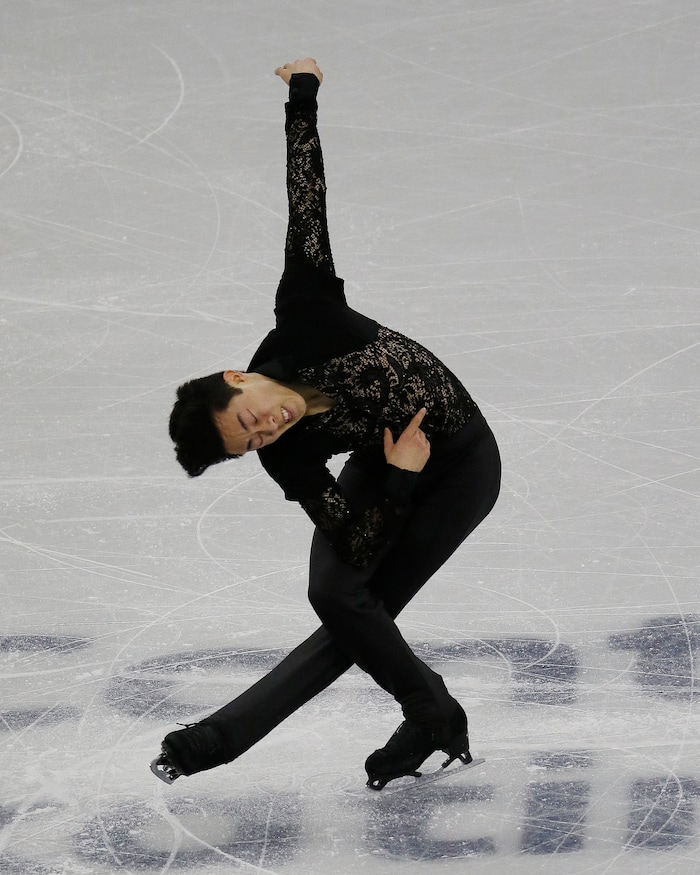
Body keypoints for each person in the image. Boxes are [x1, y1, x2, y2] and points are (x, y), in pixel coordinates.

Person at [151, 58, 501, 791]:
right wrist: (398, 479)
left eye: (252, 417)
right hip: (392, 468)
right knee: (337, 596)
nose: (268, 430)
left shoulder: (305, 313)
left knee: (354, 614)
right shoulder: (289, 457)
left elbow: (304, 196)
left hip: (463, 465)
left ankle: (227, 738)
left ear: (240, 376)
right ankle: (431, 711)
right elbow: (357, 538)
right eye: (254, 442)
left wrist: (301, 95)